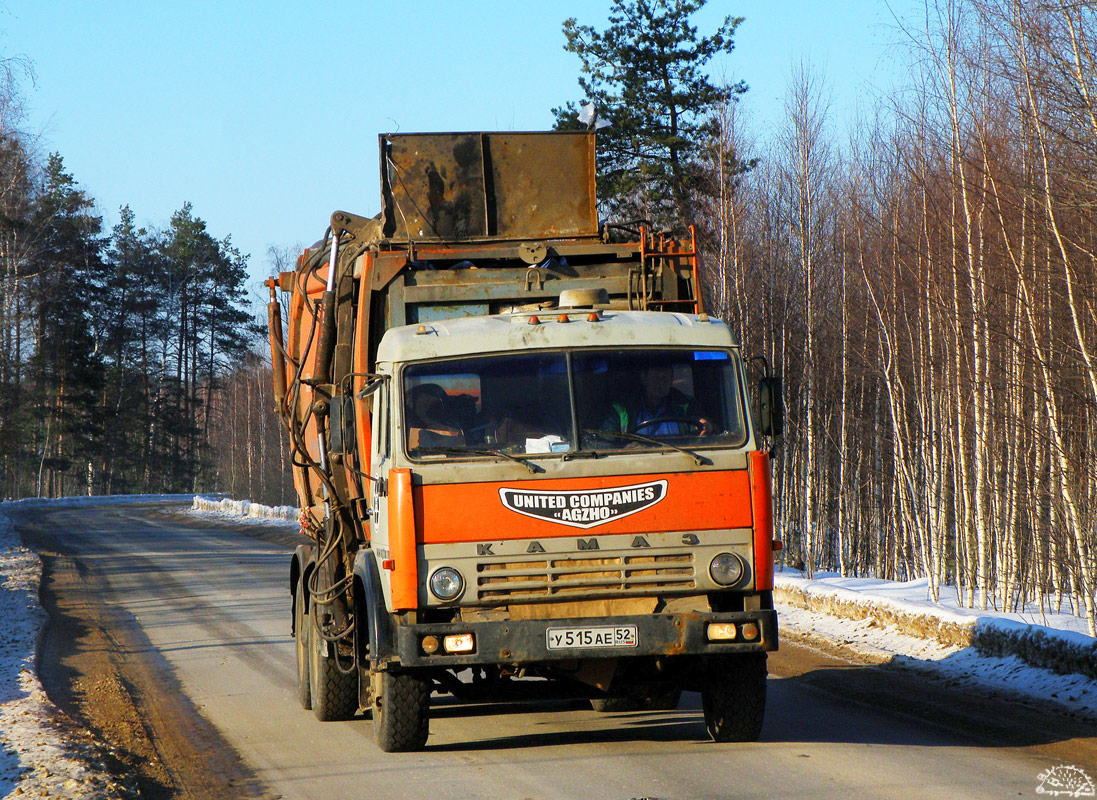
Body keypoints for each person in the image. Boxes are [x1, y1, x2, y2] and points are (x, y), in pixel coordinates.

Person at [603, 363, 711, 436]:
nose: (661, 383)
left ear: (672, 379)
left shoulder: (686, 405)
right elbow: (604, 439)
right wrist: (625, 448)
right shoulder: (622, 410)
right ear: (644, 378)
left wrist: (707, 426)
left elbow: (708, 426)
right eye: (656, 378)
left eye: (665, 378)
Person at [407, 383, 464, 449]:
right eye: (422, 404)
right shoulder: (405, 427)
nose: (426, 408)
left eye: (432, 404)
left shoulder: (451, 427)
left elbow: (461, 448)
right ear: (414, 406)